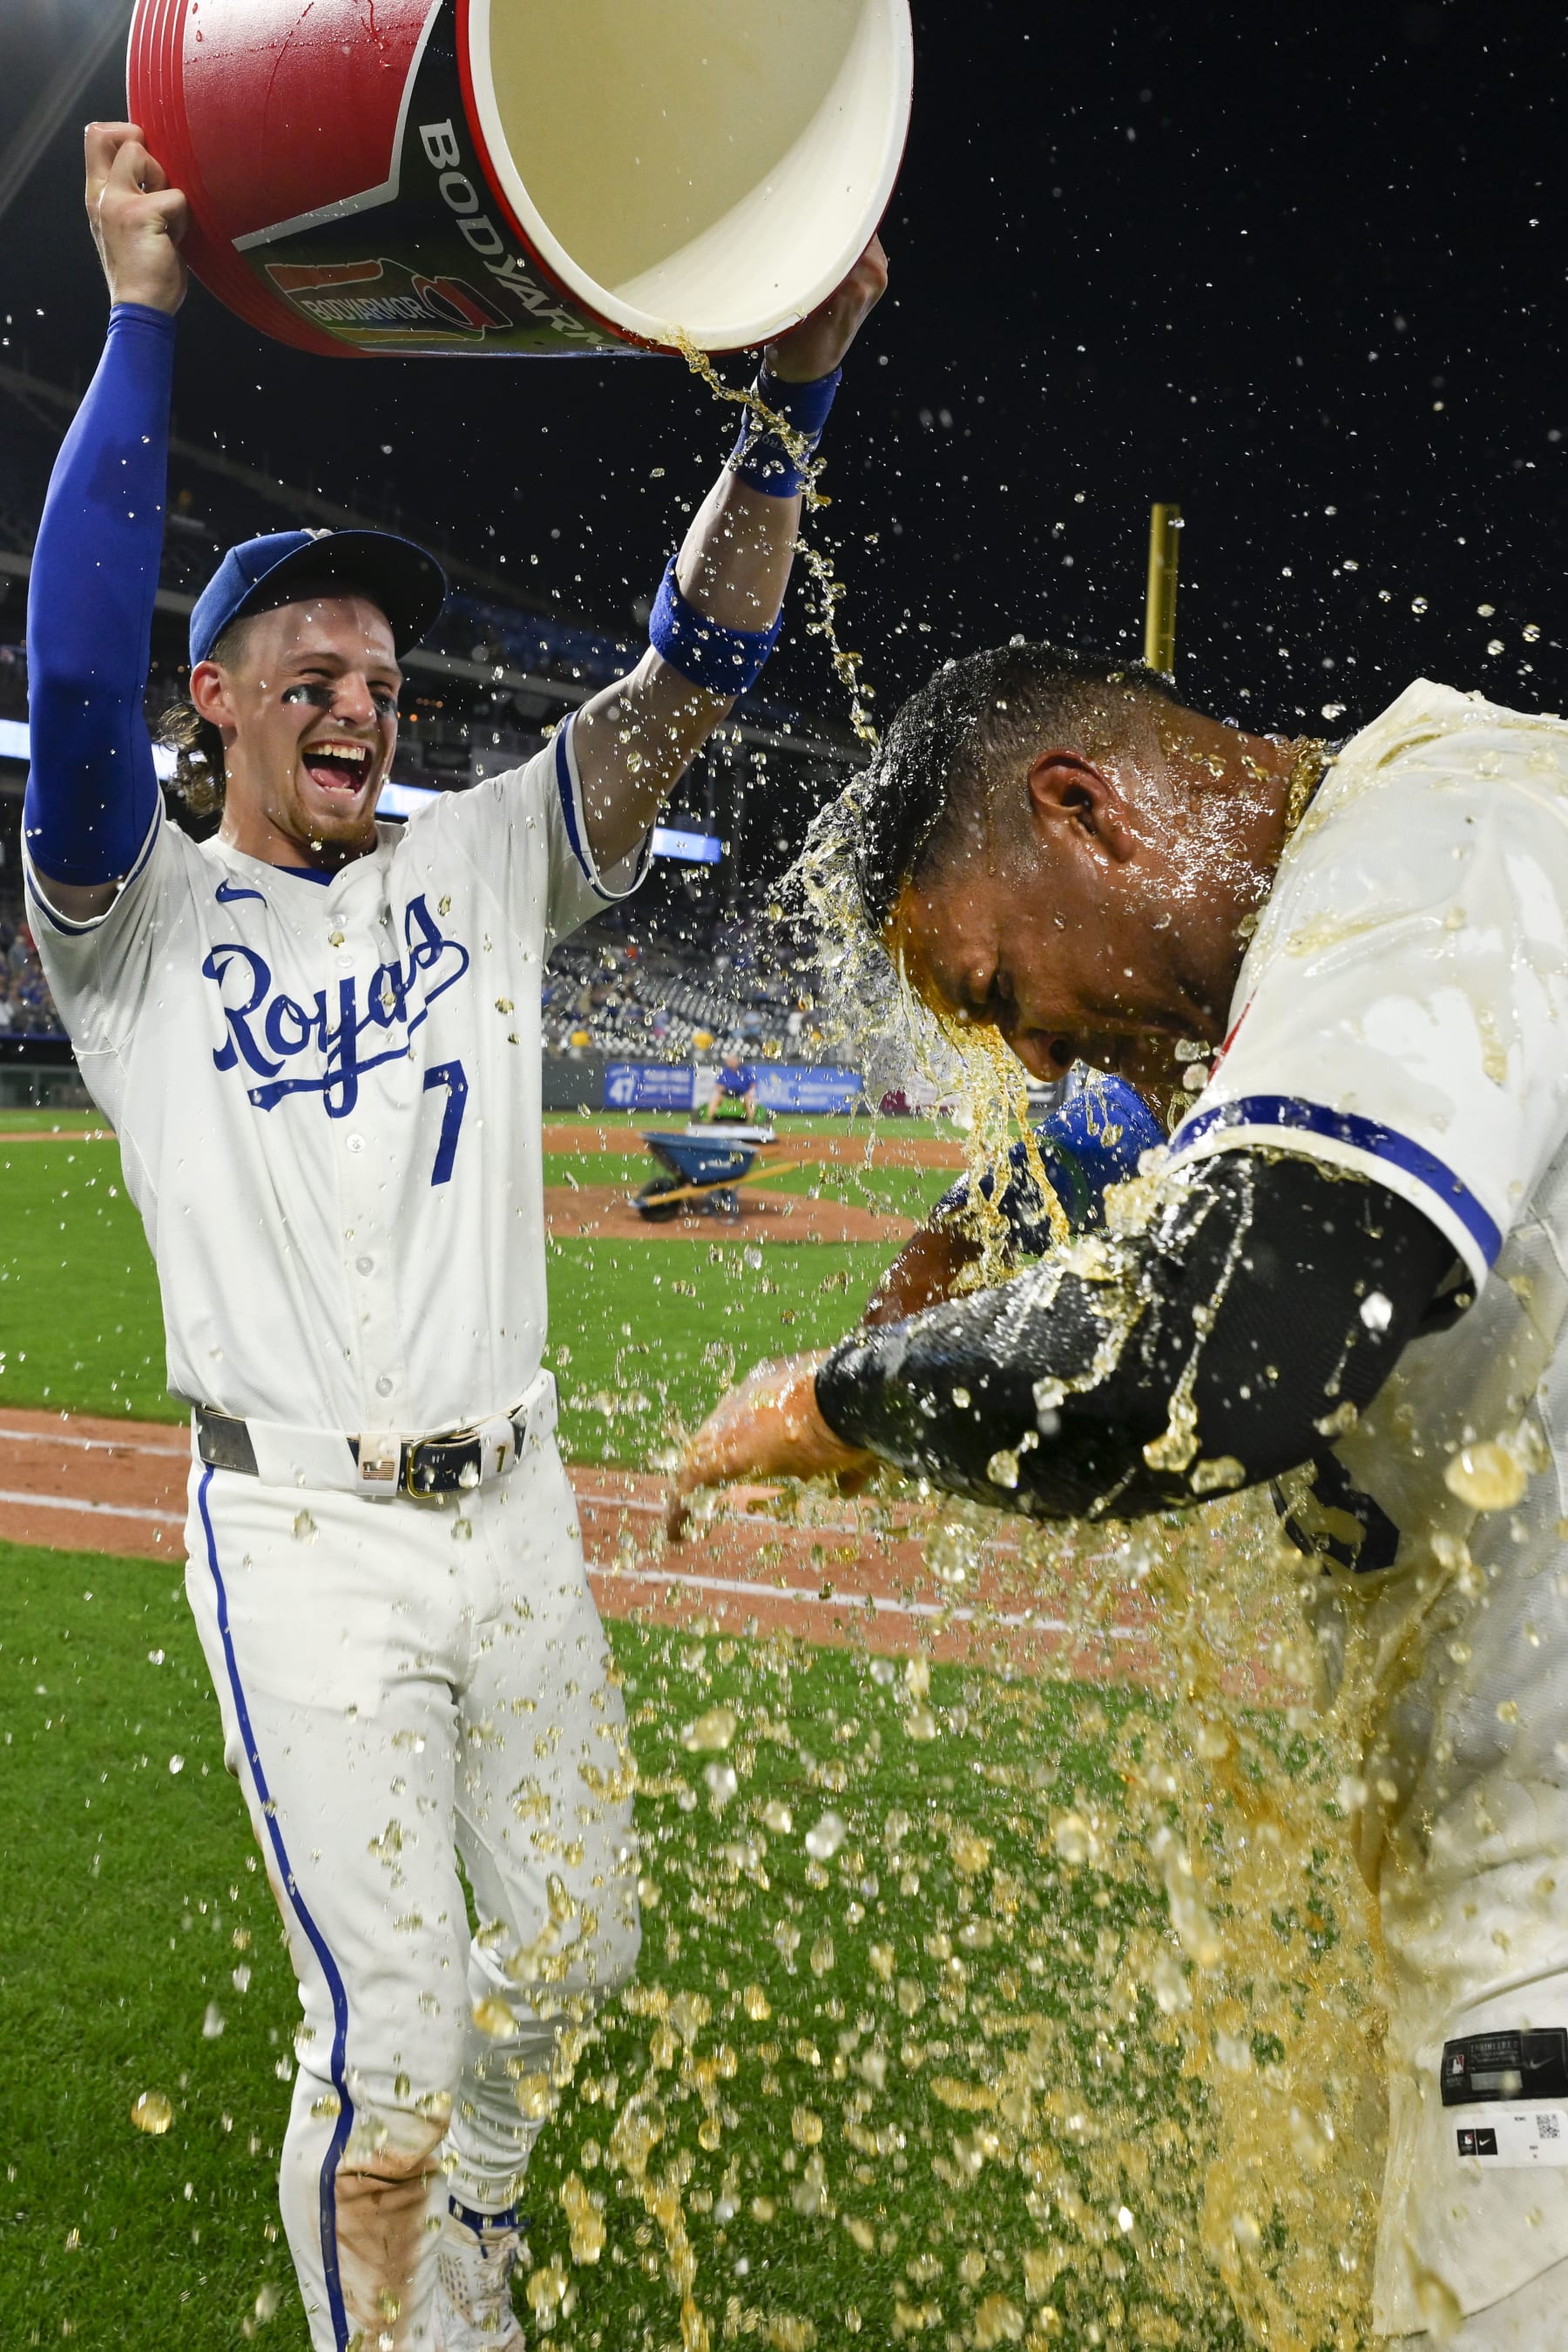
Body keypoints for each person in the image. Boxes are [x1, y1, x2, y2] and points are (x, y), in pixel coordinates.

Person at [27, 121, 885, 2352]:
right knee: (387, 2050)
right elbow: (78, 645)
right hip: (303, 1536)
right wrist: (141, 316)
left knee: (580, 1943)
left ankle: (474, 2218)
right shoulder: (129, 924)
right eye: (303, 659)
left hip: (513, 1511)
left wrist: (791, 402)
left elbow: (689, 673)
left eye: (381, 668)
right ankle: (406, 2296)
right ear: (205, 700)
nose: (360, 689)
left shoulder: (481, 861)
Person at [673, 639, 1568, 2349]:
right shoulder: (1358, 895)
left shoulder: (1436, 858)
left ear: (1083, 811)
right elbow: (1123, 1136)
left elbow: (1213, 1348)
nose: (1037, 1053)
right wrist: (974, 1225)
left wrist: (838, 1402)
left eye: (1004, 992)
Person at [700, 1044, 760, 1123]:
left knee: (749, 1100)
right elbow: (718, 1085)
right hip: (726, 1094)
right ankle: (709, 1118)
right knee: (715, 1098)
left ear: (737, 1060)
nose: (730, 1062)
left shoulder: (745, 1071)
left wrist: (749, 1091)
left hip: (742, 1094)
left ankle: (751, 1120)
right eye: (729, 1061)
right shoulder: (725, 1071)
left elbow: (753, 1083)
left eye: (732, 1060)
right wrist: (721, 1089)